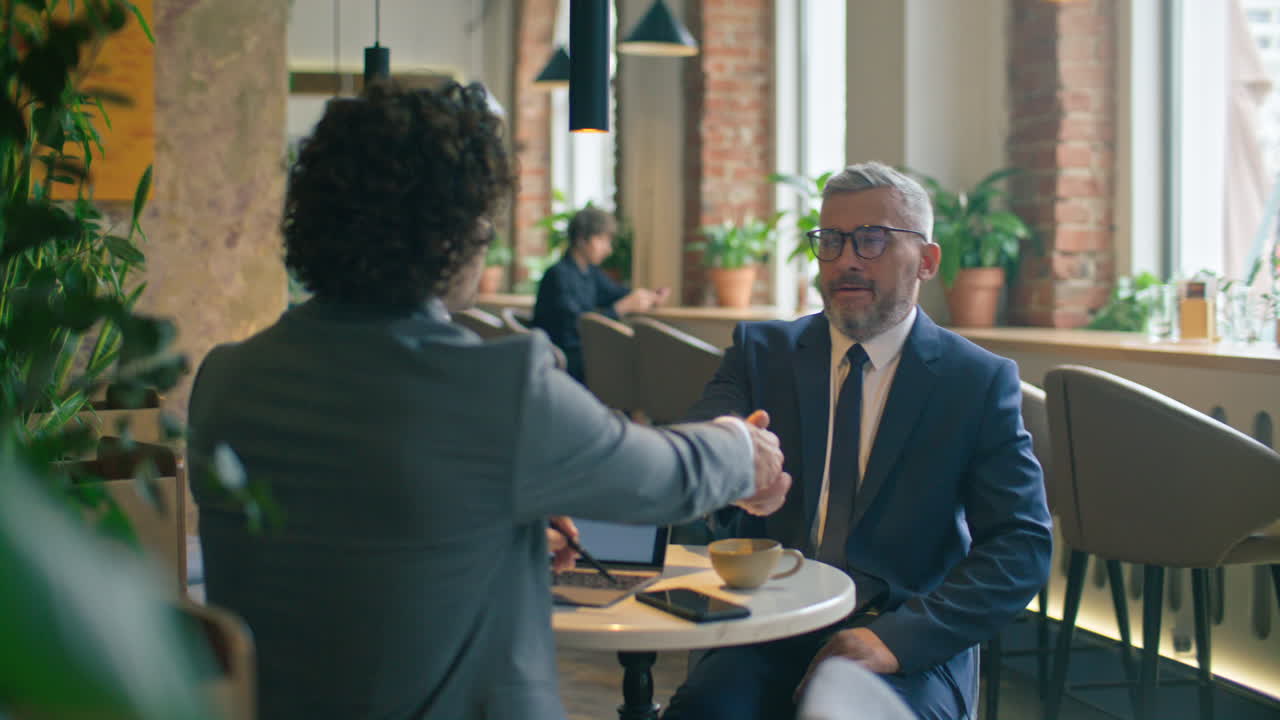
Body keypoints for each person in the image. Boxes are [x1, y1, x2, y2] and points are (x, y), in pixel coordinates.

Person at [187, 81, 792, 720]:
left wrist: (495, 524)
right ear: (456, 231)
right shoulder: (496, 387)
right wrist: (741, 446)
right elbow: (665, 478)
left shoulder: (226, 380)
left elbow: (351, 543)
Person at [664, 162, 1053, 720]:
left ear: (926, 261)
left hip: (904, 639)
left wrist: (900, 639)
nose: (846, 259)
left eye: (872, 240)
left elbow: (1021, 545)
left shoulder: (975, 381)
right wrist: (731, 469)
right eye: (832, 240)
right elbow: (698, 446)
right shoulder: (762, 352)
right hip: (772, 623)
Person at [531, 206, 670, 381]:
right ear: (582, 240)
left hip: (583, 356)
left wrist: (651, 296)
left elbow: (616, 293)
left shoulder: (590, 273)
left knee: (643, 359)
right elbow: (578, 327)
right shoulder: (558, 276)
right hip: (561, 361)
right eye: (603, 240)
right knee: (632, 365)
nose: (609, 249)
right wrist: (621, 308)